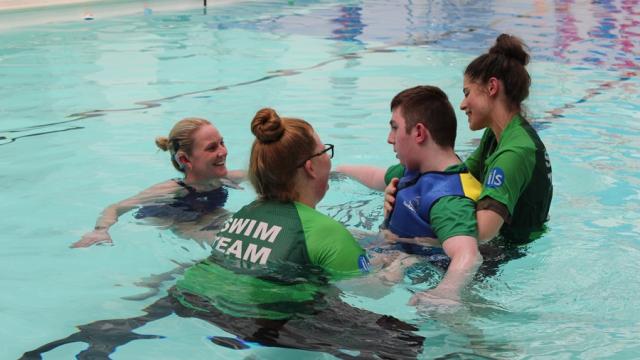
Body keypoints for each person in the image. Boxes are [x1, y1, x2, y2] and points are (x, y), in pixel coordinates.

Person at [24, 109, 425, 360]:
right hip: (260, 320)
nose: (328, 160)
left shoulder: (247, 210)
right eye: (326, 153)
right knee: (404, 341)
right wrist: (399, 264)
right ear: (309, 167)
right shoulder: (323, 231)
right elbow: (372, 290)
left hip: (190, 296)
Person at [385, 34, 553, 245]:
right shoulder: (497, 134)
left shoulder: (515, 152)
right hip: (500, 246)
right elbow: (459, 176)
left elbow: (481, 235)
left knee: (390, 252)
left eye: (467, 92)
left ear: (492, 87)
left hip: (505, 255)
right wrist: (403, 192)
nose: (463, 104)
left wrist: (407, 237)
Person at [339, 86, 483, 304]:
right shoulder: (416, 171)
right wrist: (336, 171)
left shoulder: (448, 199)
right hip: (394, 248)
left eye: (395, 128)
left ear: (419, 133)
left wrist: (445, 292)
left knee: (347, 285)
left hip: (418, 267)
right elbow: (375, 176)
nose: (390, 138)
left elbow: (468, 256)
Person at [71, 117, 243, 248]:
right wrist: (100, 231)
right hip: (170, 215)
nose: (223, 151)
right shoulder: (171, 190)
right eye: (212, 148)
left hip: (202, 213)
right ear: (184, 158)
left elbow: (263, 173)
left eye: (222, 143)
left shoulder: (224, 179)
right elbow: (115, 208)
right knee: (227, 238)